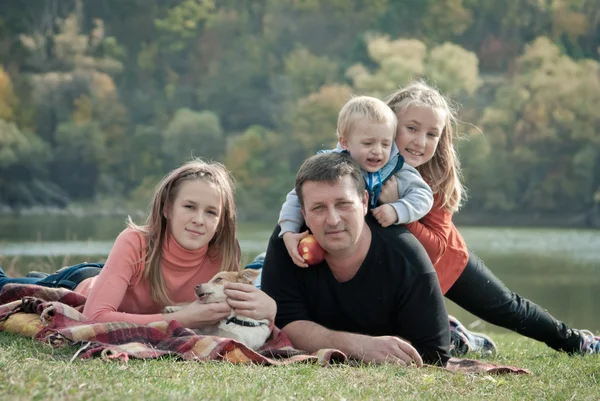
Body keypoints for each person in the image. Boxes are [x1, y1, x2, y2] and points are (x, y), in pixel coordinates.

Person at [378, 80, 600, 355]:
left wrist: (398, 210)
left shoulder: (434, 178)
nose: (420, 142)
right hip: (402, 281)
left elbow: (436, 248)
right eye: (411, 128)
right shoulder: (367, 165)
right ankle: (449, 332)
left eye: (432, 134)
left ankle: (577, 342)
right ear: (388, 124)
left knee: (508, 308)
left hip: (447, 263)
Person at [2, 160, 277, 331]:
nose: (199, 220)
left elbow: (235, 315)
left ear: (221, 220)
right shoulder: (135, 241)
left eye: (210, 212)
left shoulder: (226, 254)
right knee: (7, 286)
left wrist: (269, 309)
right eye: (189, 207)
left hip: (119, 285)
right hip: (83, 285)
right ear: (168, 208)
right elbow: (94, 317)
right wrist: (184, 319)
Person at [261, 152, 451, 367]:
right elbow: (284, 324)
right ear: (303, 213)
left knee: (457, 335)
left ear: (364, 202)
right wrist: (360, 346)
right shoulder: (290, 241)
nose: (333, 220)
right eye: (318, 208)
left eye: (343, 203)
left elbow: (435, 353)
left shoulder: (406, 257)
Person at [278, 95, 433, 267]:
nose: (377, 152)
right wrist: (288, 231)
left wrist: (397, 209)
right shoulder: (328, 168)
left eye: (385, 144)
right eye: (368, 143)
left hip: (378, 249)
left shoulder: (396, 169)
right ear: (345, 142)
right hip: (337, 244)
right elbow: (296, 198)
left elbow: (424, 196)